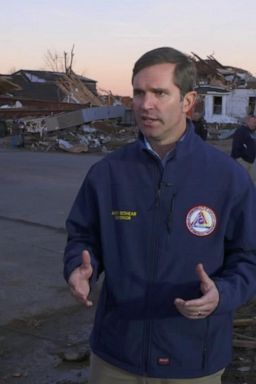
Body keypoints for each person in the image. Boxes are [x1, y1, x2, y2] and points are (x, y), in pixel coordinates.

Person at [64, 47, 256, 383]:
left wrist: (222, 294)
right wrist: (80, 268)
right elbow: (83, 236)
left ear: (188, 101)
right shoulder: (107, 173)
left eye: (159, 93)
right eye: (138, 92)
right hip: (116, 356)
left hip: (194, 358)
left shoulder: (228, 178)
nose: (145, 104)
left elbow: (249, 257)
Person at [230, 114, 256, 180]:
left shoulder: (251, 132)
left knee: (251, 182)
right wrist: (242, 159)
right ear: (248, 122)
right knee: (241, 181)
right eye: (254, 122)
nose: (255, 124)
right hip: (242, 162)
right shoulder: (241, 131)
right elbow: (236, 147)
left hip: (251, 161)